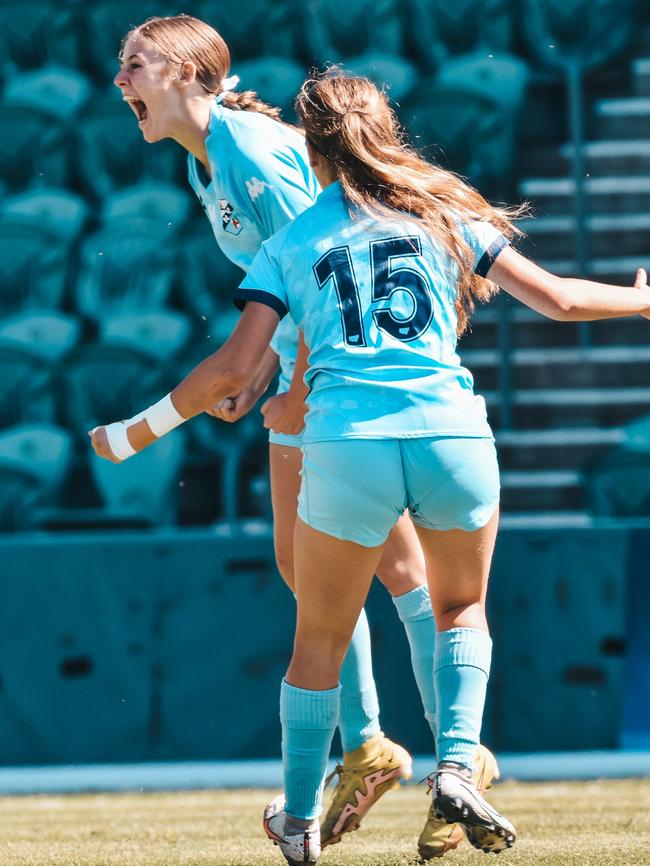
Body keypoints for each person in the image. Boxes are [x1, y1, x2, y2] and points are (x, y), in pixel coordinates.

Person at [90, 69, 650, 864]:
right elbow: (558, 299)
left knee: (317, 638)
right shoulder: (442, 208)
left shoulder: (290, 241)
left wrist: (136, 433)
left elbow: (230, 371)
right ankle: (458, 764)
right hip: (453, 438)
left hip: (348, 446)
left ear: (308, 153)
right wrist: (642, 300)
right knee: (461, 609)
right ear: (385, 130)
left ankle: (297, 819)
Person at [112, 15, 483, 858]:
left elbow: (332, 255)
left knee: (332, 570)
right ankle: (429, 753)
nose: (121, 80)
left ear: (184, 71)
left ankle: (394, 748)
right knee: (369, 569)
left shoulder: (243, 149)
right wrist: (263, 375)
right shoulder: (212, 159)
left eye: (135, 64)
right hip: (308, 380)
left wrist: (296, 389)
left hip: (331, 385)